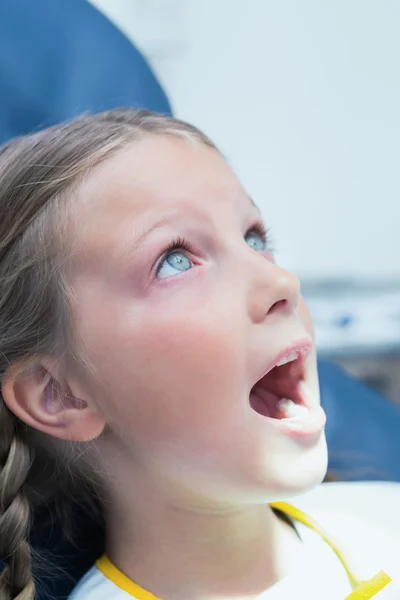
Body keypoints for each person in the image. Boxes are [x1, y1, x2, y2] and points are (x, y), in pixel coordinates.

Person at [0, 108, 397, 600]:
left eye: (255, 238)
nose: (281, 282)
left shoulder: (385, 522)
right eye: (175, 260)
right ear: (59, 394)